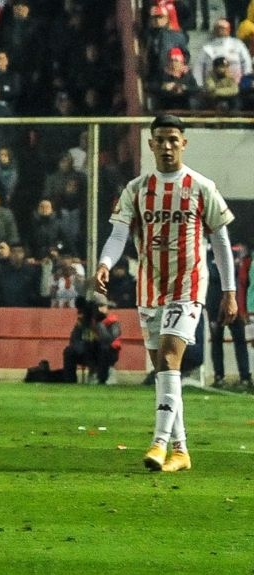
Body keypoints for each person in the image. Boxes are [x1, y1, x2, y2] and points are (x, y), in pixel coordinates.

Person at [94, 114, 237, 474]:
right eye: (161, 139)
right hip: (149, 286)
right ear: (151, 144)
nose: (168, 146)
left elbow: (221, 241)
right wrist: (105, 263)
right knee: (163, 368)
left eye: (174, 139)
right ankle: (181, 450)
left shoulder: (201, 186)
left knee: (171, 358)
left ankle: (158, 443)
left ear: (183, 143)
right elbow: (118, 234)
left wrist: (230, 291)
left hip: (188, 285)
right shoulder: (137, 189)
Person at [207, 244, 252, 389]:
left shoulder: (233, 253)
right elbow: (213, 275)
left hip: (232, 303)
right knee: (217, 340)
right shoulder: (209, 253)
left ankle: (245, 377)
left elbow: (237, 275)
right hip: (215, 304)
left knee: (239, 339)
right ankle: (219, 377)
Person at [62, 293, 122, 384]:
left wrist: (98, 325)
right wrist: (82, 348)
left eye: (102, 306)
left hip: (106, 354)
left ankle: (102, 379)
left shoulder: (112, 322)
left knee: (104, 349)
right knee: (68, 351)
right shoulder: (83, 322)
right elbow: (74, 340)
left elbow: (109, 340)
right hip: (88, 352)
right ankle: (70, 382)